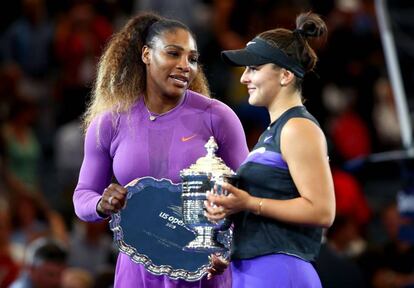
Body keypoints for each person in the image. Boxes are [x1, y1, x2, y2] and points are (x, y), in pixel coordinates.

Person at [72, 12, 249, 287]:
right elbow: (83, 195)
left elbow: (247, 195)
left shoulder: (218, 117)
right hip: (136, 270)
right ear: (146, 54)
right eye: (173, 54)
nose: (185, 66)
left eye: (192, 58)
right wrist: (101, 203)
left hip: (203, 268)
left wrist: (228, 246)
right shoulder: (109, 122)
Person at [205, 12, 336, 287]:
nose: (244, 78)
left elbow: (322, 211)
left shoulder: (297, 128)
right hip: (254, 271)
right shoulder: (274, 132)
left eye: (254, 68)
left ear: (285, 75)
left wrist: (248, 203)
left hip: (278, 271)